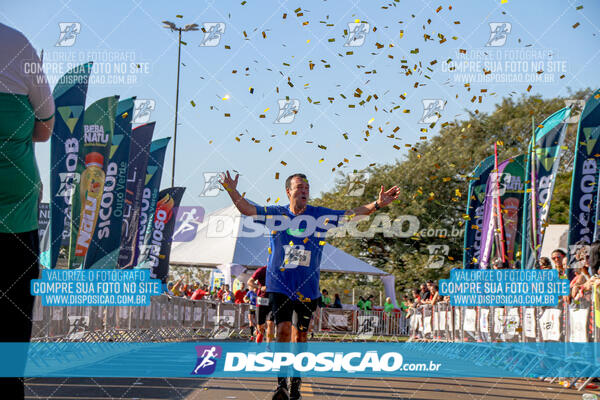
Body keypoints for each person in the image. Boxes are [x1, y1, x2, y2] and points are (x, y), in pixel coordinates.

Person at [220, 171, 400, 399]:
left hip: (307, 288)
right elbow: (247, 209)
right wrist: (231, 190)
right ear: (288, 192)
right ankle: (281, 384)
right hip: (279, 285)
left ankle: (296, 384)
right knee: (283, 331)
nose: (304, 190)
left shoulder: (319, 216)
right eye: (299, 187)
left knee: (301, 337)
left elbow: (351, 215)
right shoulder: (277, 214)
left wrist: (377, 204)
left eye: (307, 187)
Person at [0, 23, 55, 399]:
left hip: (18, 214)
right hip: (16, 216)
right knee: (13, 319)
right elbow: (45, 127)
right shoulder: (18, 42)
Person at [247, 265, 275, 344]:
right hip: (261, 300)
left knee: (270, 323)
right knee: (260, 326)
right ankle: (260, 332)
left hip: (273, 300)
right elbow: (249, 282)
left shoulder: (278, 270)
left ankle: (268, 345)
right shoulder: (262, 270)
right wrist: (260, 287)